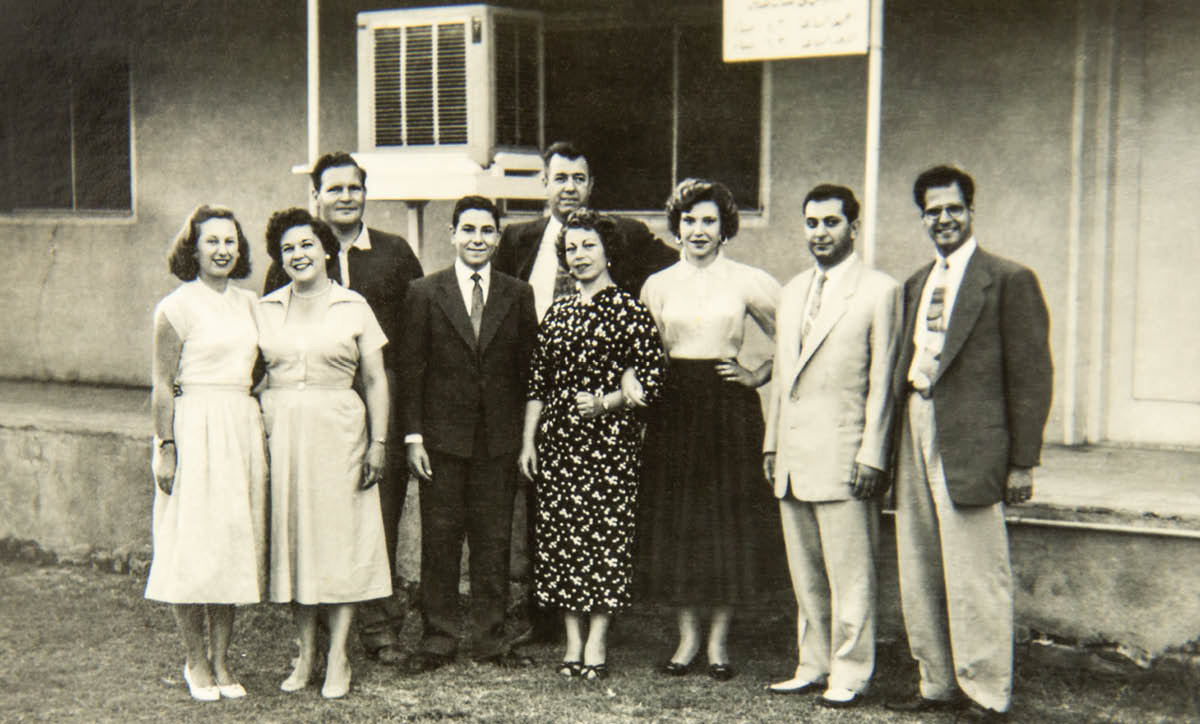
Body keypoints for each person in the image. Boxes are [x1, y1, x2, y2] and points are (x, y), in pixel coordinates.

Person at [885, 166, 1052, 723]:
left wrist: (1022, 462)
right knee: (920, 562)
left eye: (953, 208)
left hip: (973, 442)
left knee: (976, 571)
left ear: (971, 211)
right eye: (933, 211)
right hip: (915, 424)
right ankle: (935, 682)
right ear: (923, 218)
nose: (943, 219)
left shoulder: (1007, 279)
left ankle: (985, 691)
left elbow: (1031, 376)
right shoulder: (916, 282)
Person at [494, 140, 678, 645]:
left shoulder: (627, 240)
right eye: (560, 178)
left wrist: (622, 386)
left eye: (579, 178)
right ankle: (546, 620)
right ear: (545, 184)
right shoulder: (517, 240)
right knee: (547, 523)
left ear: (591, 185)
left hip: (606, 431)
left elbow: (685, 266)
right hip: (545, 411)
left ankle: (592, 635)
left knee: (603, 529)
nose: (569, 187)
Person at [264, 152, 422, 664]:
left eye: (353, 188)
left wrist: (398, 423)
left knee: (375, 509)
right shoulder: (289, 257)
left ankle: (379, 626)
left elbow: (416, 334)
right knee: (312, 514)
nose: (345, 197)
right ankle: (318, 632)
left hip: (379, 390)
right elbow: (266, 341)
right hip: (310, 405)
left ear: (365, 193)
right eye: (334, 189)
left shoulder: (395, 253)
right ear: (316, 197)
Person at [636, 178, 787, 681]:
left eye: (708, 221)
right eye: (689, 220)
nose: (698, 230)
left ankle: (720, 643)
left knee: (725, 521)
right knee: (680, 520)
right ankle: (687, 639)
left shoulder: (747, 280)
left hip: (727, 410)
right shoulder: (657, 284)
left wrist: (756, 373)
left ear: (725, 229)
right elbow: (646, 355)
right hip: (675, 410)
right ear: (676, 225)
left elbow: (794, 335)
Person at [762, 185, 902, 707]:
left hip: (846, 457)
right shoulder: (794, 290)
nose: (820, 233)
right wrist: (772, 444)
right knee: (807, 572)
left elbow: (884, 381)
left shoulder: (878, 291)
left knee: (851, 574)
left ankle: (850, 670)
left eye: (831, 222)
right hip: (794, 459)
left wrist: (873, 454)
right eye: (812, 223)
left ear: (853, 228)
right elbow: (783, 377)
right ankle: (812, 663)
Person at [517, 209, 667, 681]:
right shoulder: (559, 311)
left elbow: (653, 382)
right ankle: (572, 642)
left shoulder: (629, 310)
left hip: (609, 445)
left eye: (588, 247)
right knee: (561, 540)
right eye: (572, 248)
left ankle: (597, 641)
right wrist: (529, 442)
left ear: (608, 252)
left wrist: (608, 402)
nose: (579, 256)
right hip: (559, 442)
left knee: (604, 540)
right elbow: (538, 383)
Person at [397, 196, 538, 672]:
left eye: (487, 231)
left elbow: (527, 372)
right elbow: (411, 369)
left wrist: (523, 437)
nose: (477, 239)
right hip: (442, 441)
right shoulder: (424, 291)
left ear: (498, 239)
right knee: (440, 540)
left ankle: (490, 641)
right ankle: (437, 640)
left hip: (498, 440)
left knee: (493, 541)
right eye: (469, 230)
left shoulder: (517, 294)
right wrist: (413, 436)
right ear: (452, 234)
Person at [257, 207, 393, 699]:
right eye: (288, 248)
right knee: (296, 542)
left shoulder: (353, 305)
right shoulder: (267, 307)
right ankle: (305, 652)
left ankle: (338, 655)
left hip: (340, 432)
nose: (298, 254)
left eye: (306, 245)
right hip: (283, 434)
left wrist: (378, 442)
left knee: (339, 542)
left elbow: (375, 379)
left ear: (326, 249)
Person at [146, 205, 267, 702]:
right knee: (191, 547)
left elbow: (260, 368)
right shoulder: (176, 307)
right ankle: (194, 660)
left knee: (231, 546)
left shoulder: (250, 303)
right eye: (212, 241)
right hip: (192, 427)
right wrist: (166, 448)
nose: (222, 250)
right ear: (192, 249)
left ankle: (222, 660)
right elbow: (160, 383)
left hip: (238, 425)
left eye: (230, 241)